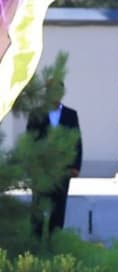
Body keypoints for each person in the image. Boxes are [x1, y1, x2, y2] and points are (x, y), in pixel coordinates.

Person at [26, 96, 82, 234]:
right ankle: (35, 244)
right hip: (41, 170)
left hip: (63, 170)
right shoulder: (36, 114)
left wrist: (75, 166)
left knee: (58, 209)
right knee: (38, 208)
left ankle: (54, 242)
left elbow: (77, 141)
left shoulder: (70, 114)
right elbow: (29, 140)